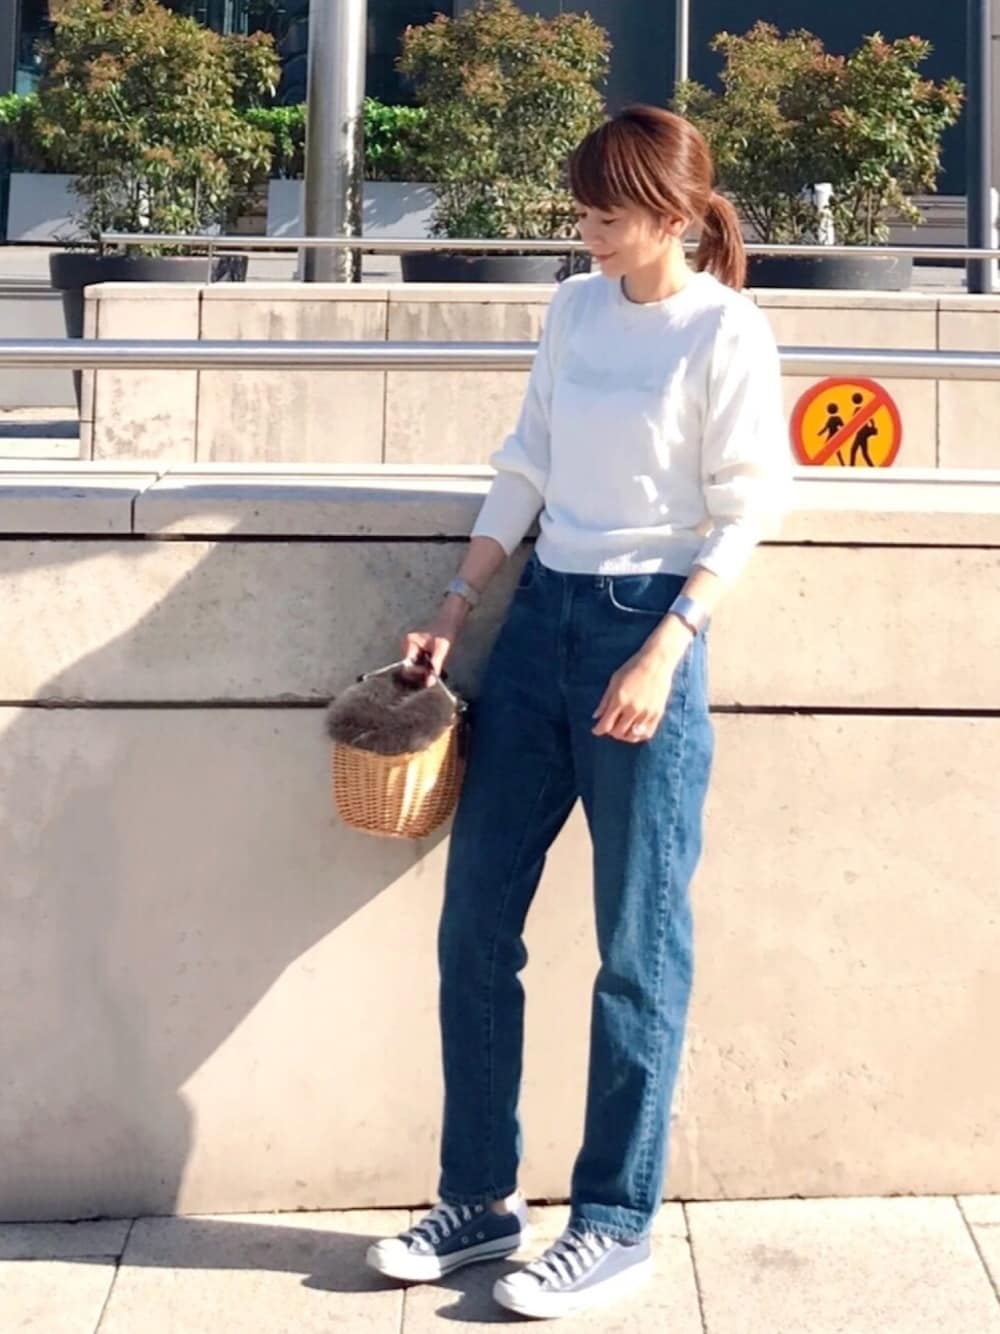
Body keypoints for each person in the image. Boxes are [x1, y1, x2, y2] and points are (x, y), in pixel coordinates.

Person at [366, 105, 791, 1320]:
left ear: (670, 211)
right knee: (473, 927)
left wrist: (667, 646)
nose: (586, 231)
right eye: (583, 212)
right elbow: (529, 464)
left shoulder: (725, 329)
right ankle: (478, 1199)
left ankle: (613, 1222)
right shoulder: (571, 308)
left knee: (636, 951)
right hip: (539, 620)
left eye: (605, 213)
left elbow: (751, 501)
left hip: (644, 631)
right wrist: (456, 602)